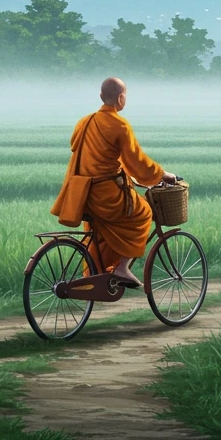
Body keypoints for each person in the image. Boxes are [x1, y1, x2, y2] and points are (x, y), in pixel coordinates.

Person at [54, 77, 176, 287]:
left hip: (82, 193)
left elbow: (97, 154)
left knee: (102, 230)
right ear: (121, 98)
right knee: (143, 213)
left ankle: (96, 278)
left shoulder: (84, 122)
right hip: (105, 195)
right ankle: (121, 268)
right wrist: (161, 174)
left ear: (101, 97)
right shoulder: (120, 125)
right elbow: (137, 161)